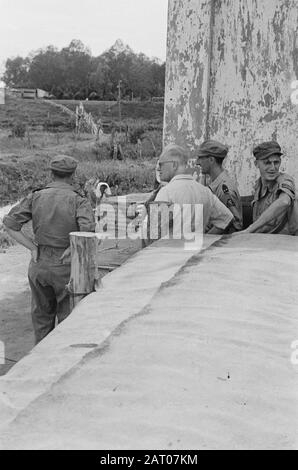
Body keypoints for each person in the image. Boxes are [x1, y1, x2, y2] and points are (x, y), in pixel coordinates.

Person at [3, 155, 95, 344]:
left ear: (51, 174)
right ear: (72, 175)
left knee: (41, 319)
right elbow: (88, 235)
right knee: (68, 320)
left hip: (39, 263)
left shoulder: (36, 196)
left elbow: (10, 225)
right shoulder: (79, 200)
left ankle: (39, 364)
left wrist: (32, 247)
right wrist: (72, 249)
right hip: (67, 265)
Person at [148, 144, 234, 236]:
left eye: (161, 164)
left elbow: (154, 232)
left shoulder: (166, 192)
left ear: (174, 165)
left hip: (172, 249)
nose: (158, 168)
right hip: (197, 248)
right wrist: (205, 240)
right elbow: (226, 218)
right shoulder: (205, 192)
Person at [239, 141, 297, 234]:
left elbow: (285, 201)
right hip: (262, 241)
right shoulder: (259, 185)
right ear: (256, 164)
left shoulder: (284, 180)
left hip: (284, 244)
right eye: (267, 163)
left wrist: (249, 229)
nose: (273, 168)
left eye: (276, 162)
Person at [197, 140, 243, 232]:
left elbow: (234, 224)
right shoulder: (215, 184)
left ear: (211, 160)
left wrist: (207, 238)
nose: (197, 162)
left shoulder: (224, 189)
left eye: (200, 158)